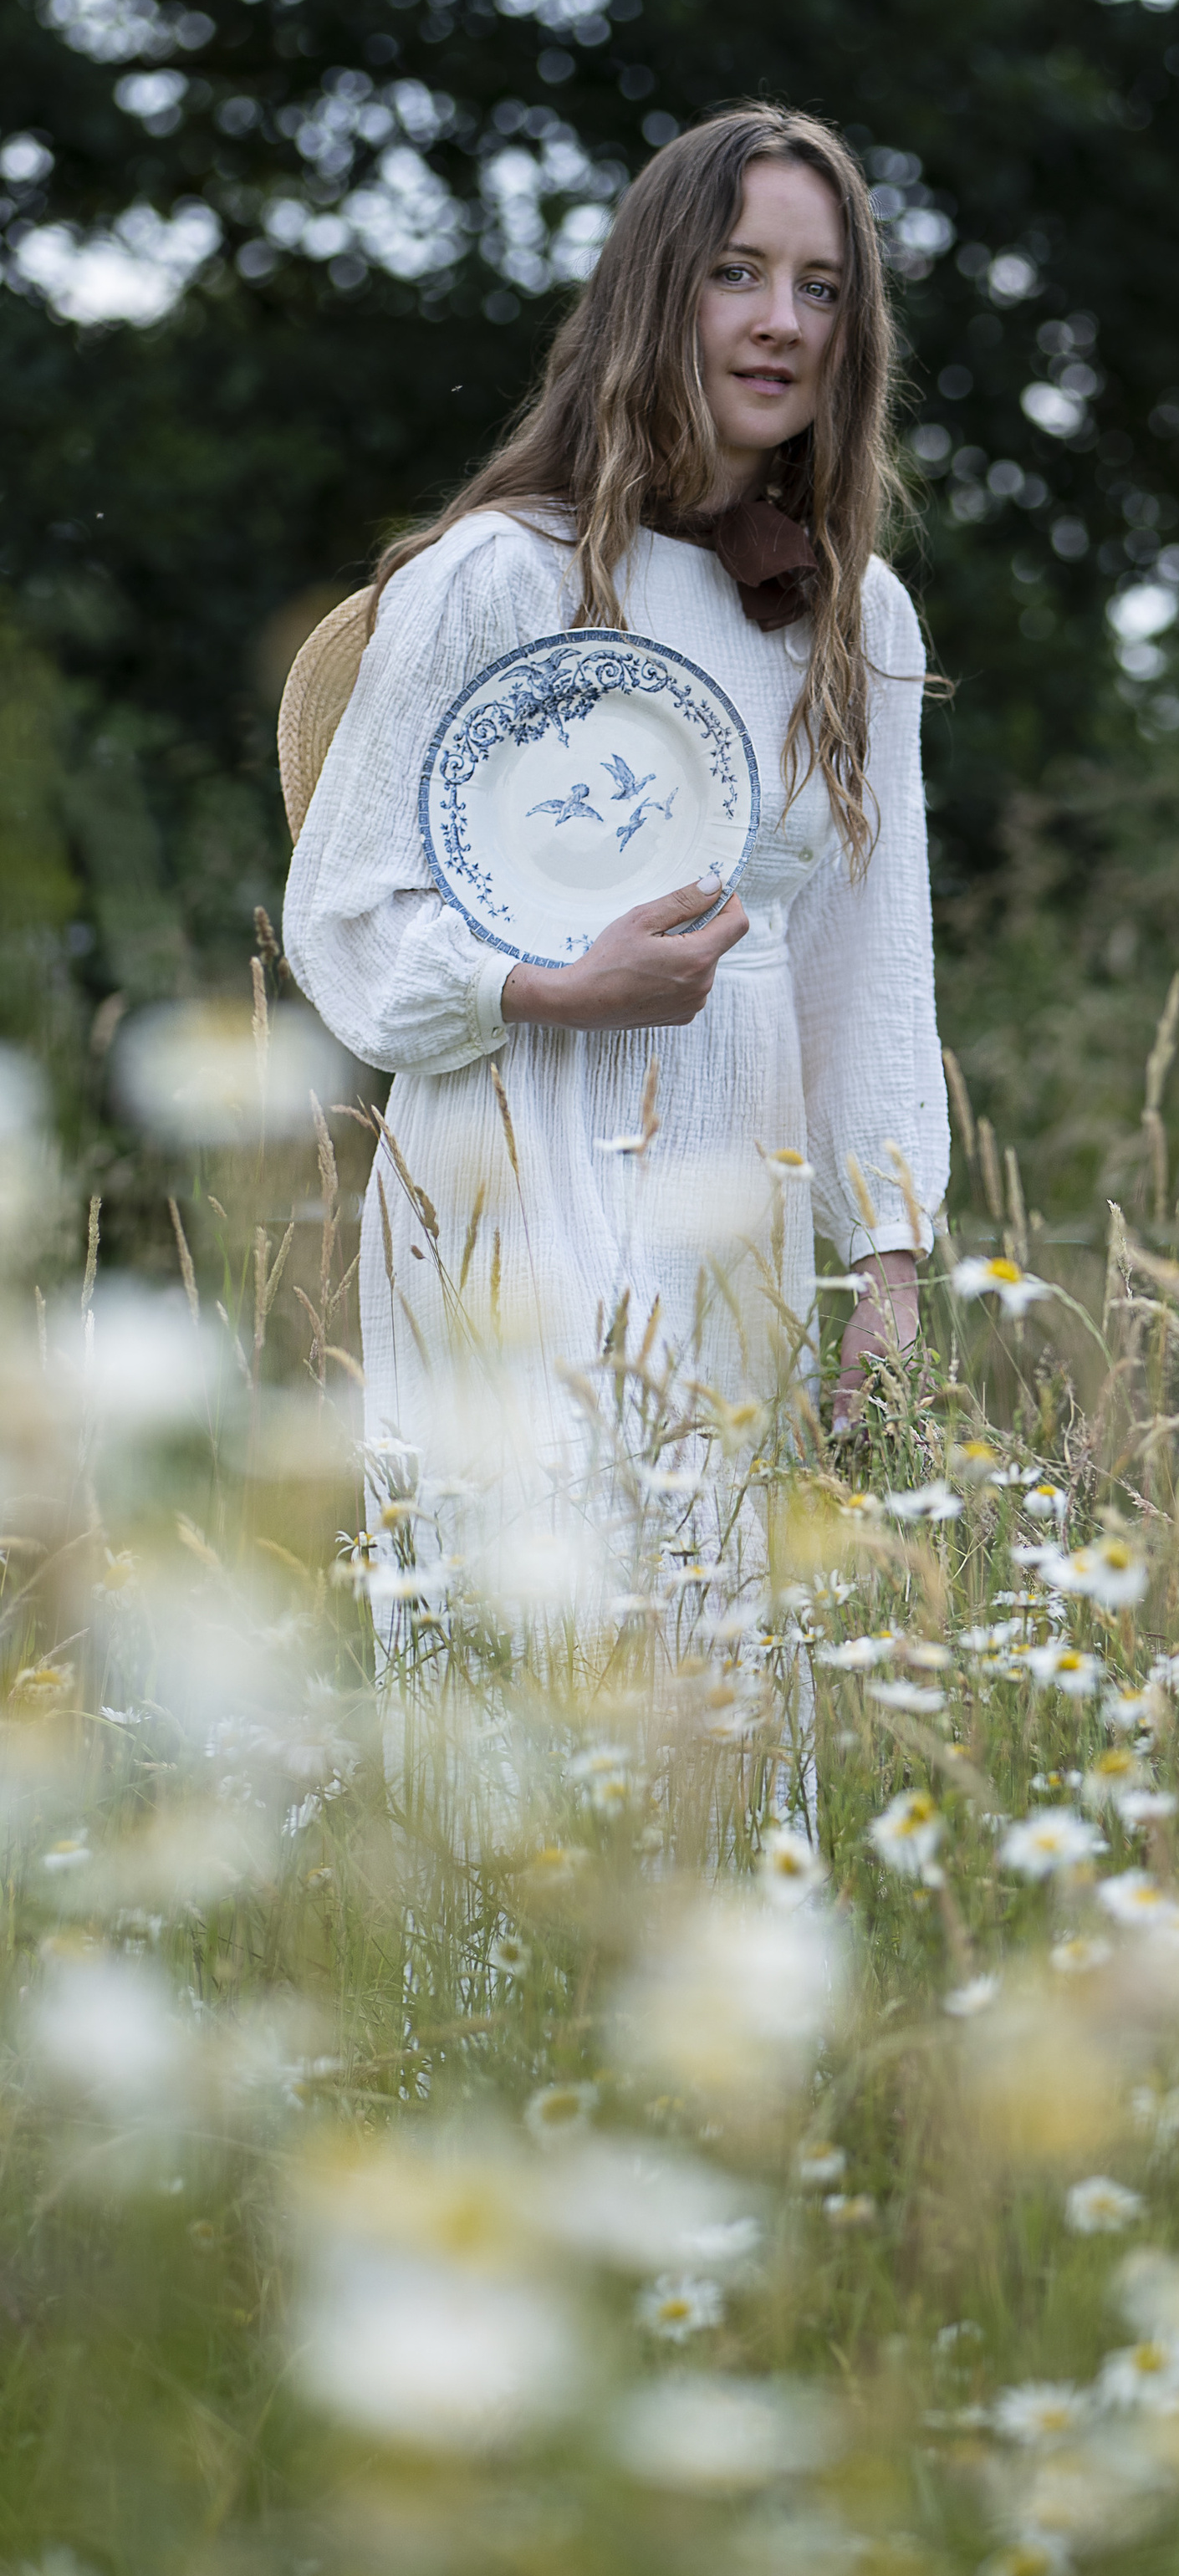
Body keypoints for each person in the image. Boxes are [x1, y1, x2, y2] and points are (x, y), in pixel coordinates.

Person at [283, 104, 948, 1617]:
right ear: (657, 289)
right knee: (530, 1628)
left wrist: (888, 1264)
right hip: (507, 1152)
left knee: (717, 1651)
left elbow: (871, 957)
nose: (782, 322)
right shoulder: (494, 574)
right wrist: (551, 989)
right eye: (737, 273)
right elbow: (345, 915)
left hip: (736, 1175)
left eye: (822, 287)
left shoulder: (858, 618)